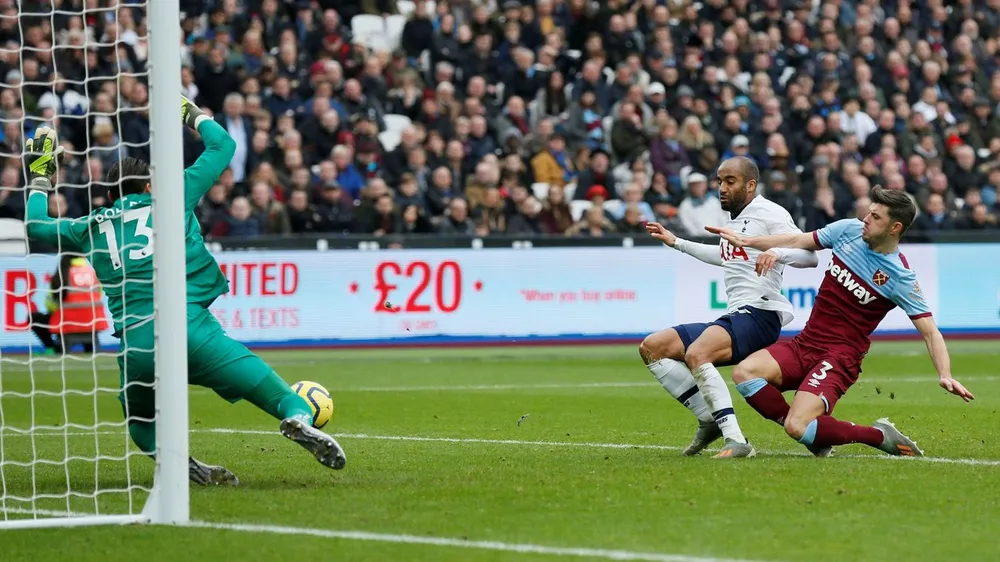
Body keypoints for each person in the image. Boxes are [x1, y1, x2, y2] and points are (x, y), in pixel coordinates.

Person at [21, 99, 347, 486]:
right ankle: (296, 417)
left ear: (110, 196)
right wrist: (185, 111)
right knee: (274, 392)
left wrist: (41, 178)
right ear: (148, 186)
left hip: (138, 343)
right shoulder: (171, 196)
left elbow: (36, 227)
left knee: (140, 420)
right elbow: (224, 145)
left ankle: (175, 462)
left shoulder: (89, 225)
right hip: (191, 328)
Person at [708, 186, 975, 457]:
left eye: (876, 217)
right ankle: (813, 431)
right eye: (869, 212)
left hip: (839, 357)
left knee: (796, 426)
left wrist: (945, 374)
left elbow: (930, 332)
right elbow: (796, 241)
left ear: (894, 228)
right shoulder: (848, 231)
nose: (866, 220)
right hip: (805, 343)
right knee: (745, 373)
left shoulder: (900, 277)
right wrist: (750, 242)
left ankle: (877, 436)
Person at [641, 156, 819, 459]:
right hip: (738, 314)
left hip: (760, 313)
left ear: (750, 185)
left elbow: (808, 255)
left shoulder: (769, 212)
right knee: (653, 347)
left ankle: (736, 440)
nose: (722, 188)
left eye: (730, 181)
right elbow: (725, 256)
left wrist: (776, 252)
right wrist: (677, 242)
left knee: (698, 353)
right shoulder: (735, 221)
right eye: (720, 181)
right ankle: (709, 419)